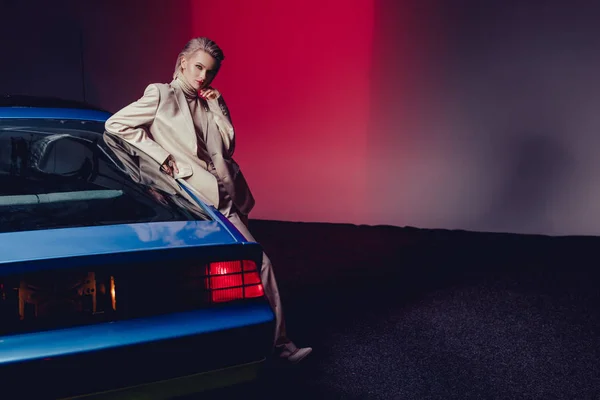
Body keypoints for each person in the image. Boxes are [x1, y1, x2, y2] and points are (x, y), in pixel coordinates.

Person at [104, 37, 312, 363]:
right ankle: (255, 349)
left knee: (257, 265)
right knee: (200, 277)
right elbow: (116, 125)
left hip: (223, 197)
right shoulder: (161, 94)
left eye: (210, 72)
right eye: (198, 67)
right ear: (183, 62)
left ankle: (278, 346)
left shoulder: (208, 101)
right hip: (190, 199)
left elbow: (227, 147)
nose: (203, 76)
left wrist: (217, 105)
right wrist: (162, 159)